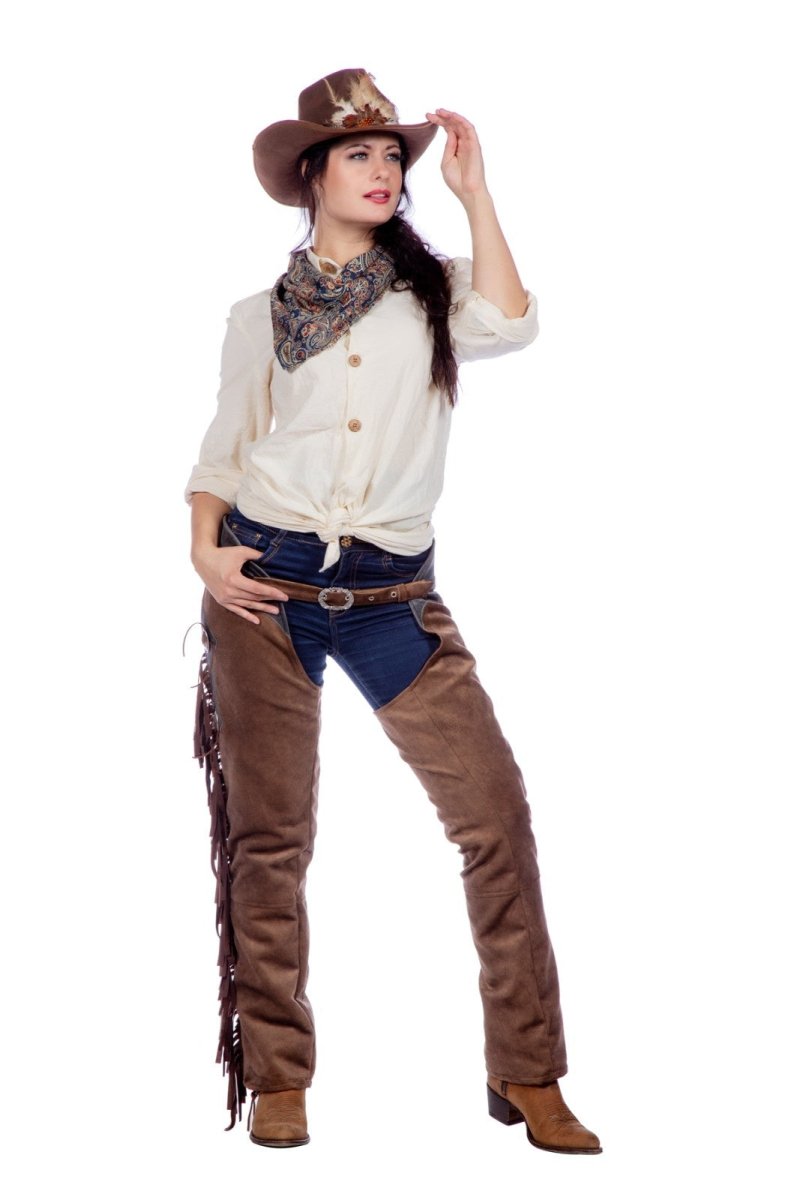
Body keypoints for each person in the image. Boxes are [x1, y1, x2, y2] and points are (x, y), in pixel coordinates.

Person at [185, 67, 601, 1155]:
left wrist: (475, 193)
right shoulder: (258, 317)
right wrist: (203, 550)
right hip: (265, 587)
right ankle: (278, 1077)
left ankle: (527, 1068)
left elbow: (511, 321)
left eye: (389, 155)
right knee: (269, 841)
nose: (380, 170)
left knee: (494, 820)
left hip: (392, 597)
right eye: (357, 154)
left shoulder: (433, 294)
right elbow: (225, 452)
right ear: (310, 176)